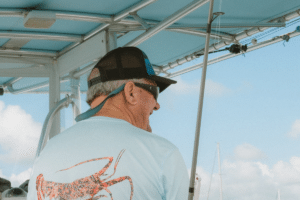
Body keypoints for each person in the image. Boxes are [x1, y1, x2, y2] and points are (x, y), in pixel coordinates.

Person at [28, 47, 189, 200]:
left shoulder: (47, 152)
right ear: (130, 92)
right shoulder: (163, 154)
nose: (157, 105)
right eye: (155, 92)